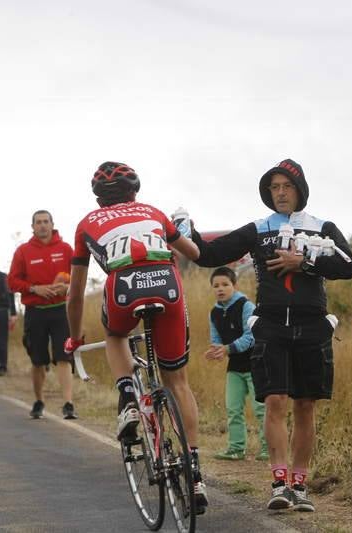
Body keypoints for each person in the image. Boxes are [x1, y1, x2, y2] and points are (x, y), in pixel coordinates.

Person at [189, 158, 352, 512]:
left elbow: (348, 266)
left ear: (300, 190)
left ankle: (300, 484)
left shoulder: (323, 226)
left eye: (287, 186)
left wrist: (306, 262)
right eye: (274, 188)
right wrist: (181, 233)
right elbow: (210, 254)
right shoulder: (258, 228)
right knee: (276, 402)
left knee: (306, 405)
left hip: (312, 325)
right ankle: (279, 483)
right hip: (270, 325)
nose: (280, 193)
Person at [64, 161, 209, 514]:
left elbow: (74, 293)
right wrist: (180, 233)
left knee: (115, 335)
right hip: (166, 281)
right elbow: (195, 254)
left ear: (99, 199)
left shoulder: (86, 224)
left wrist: (75, 338)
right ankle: (195, 473)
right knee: (178, 381)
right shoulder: (155, 212)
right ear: (135, 190)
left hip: (123, 286)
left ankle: (129, 399)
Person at [8, 210, 77, 420]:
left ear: (52, 224)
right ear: (33, 227)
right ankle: (39, 401)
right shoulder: (23, 251)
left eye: (46, 221)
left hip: (60, 311)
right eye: (38, 222)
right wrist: (34, 289)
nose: (43, 226)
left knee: (63, 357)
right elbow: (12, 282)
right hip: (35, 312)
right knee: (38, 361)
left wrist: (68, 288)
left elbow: (77, 277)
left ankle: (68, 404)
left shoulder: (66, 249)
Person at [204, 267, 267, 462]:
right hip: (235, 367)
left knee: (260, 409)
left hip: (255, 363)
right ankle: (236, 449)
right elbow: (216, 340)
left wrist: (227, 349)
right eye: (216, 286)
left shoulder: (245, 305)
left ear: (234, 285)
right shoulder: (213, 313)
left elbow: (251, 337)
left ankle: (268, 448)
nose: (220, 289)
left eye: (225, 284)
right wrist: (215, 352)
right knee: (233, 409)